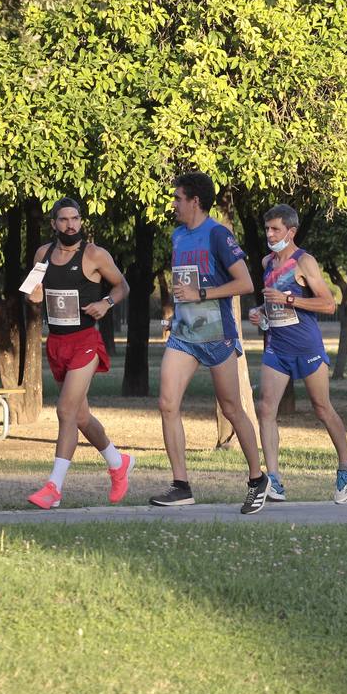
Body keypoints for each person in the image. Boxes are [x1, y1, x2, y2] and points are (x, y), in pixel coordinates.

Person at [149, 172, 270, 514]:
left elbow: (245, 283)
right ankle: (181, 485)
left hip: (217, 334)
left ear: (195, 201)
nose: (173, 204)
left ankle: (257, 478)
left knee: (232, 409)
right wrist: (178, 311)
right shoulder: (177, 236)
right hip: (185, 334)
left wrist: (201, 294)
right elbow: (184, 283)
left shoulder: (218, 234)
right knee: (167, 404)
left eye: (177, 198)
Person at [245, 205, 347, 504]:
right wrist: (260, 312)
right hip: (276, 346)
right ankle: (273, 480)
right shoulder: (266, 262)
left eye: (275, 230)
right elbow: (272, 304)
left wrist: (288, 298)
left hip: (306, 346)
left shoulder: (304, 262)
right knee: (265, 409)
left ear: (291, 232)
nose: (269, 234)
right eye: (267, 229)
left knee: (322, 408)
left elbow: (328, 305)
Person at [24, 198, 134, 510]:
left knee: (66, 411)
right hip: (57, 343)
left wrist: (106, 304)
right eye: (64, 220)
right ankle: (118, 462)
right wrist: (35, 296)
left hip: (86, 341)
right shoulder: (42, 254)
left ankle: (54, 488)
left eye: (75, 219)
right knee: (81, 416)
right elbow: (34, 293)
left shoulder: (95, 254)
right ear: (54, 224)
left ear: (81, 222)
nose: (71, 225)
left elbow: (122, 286)